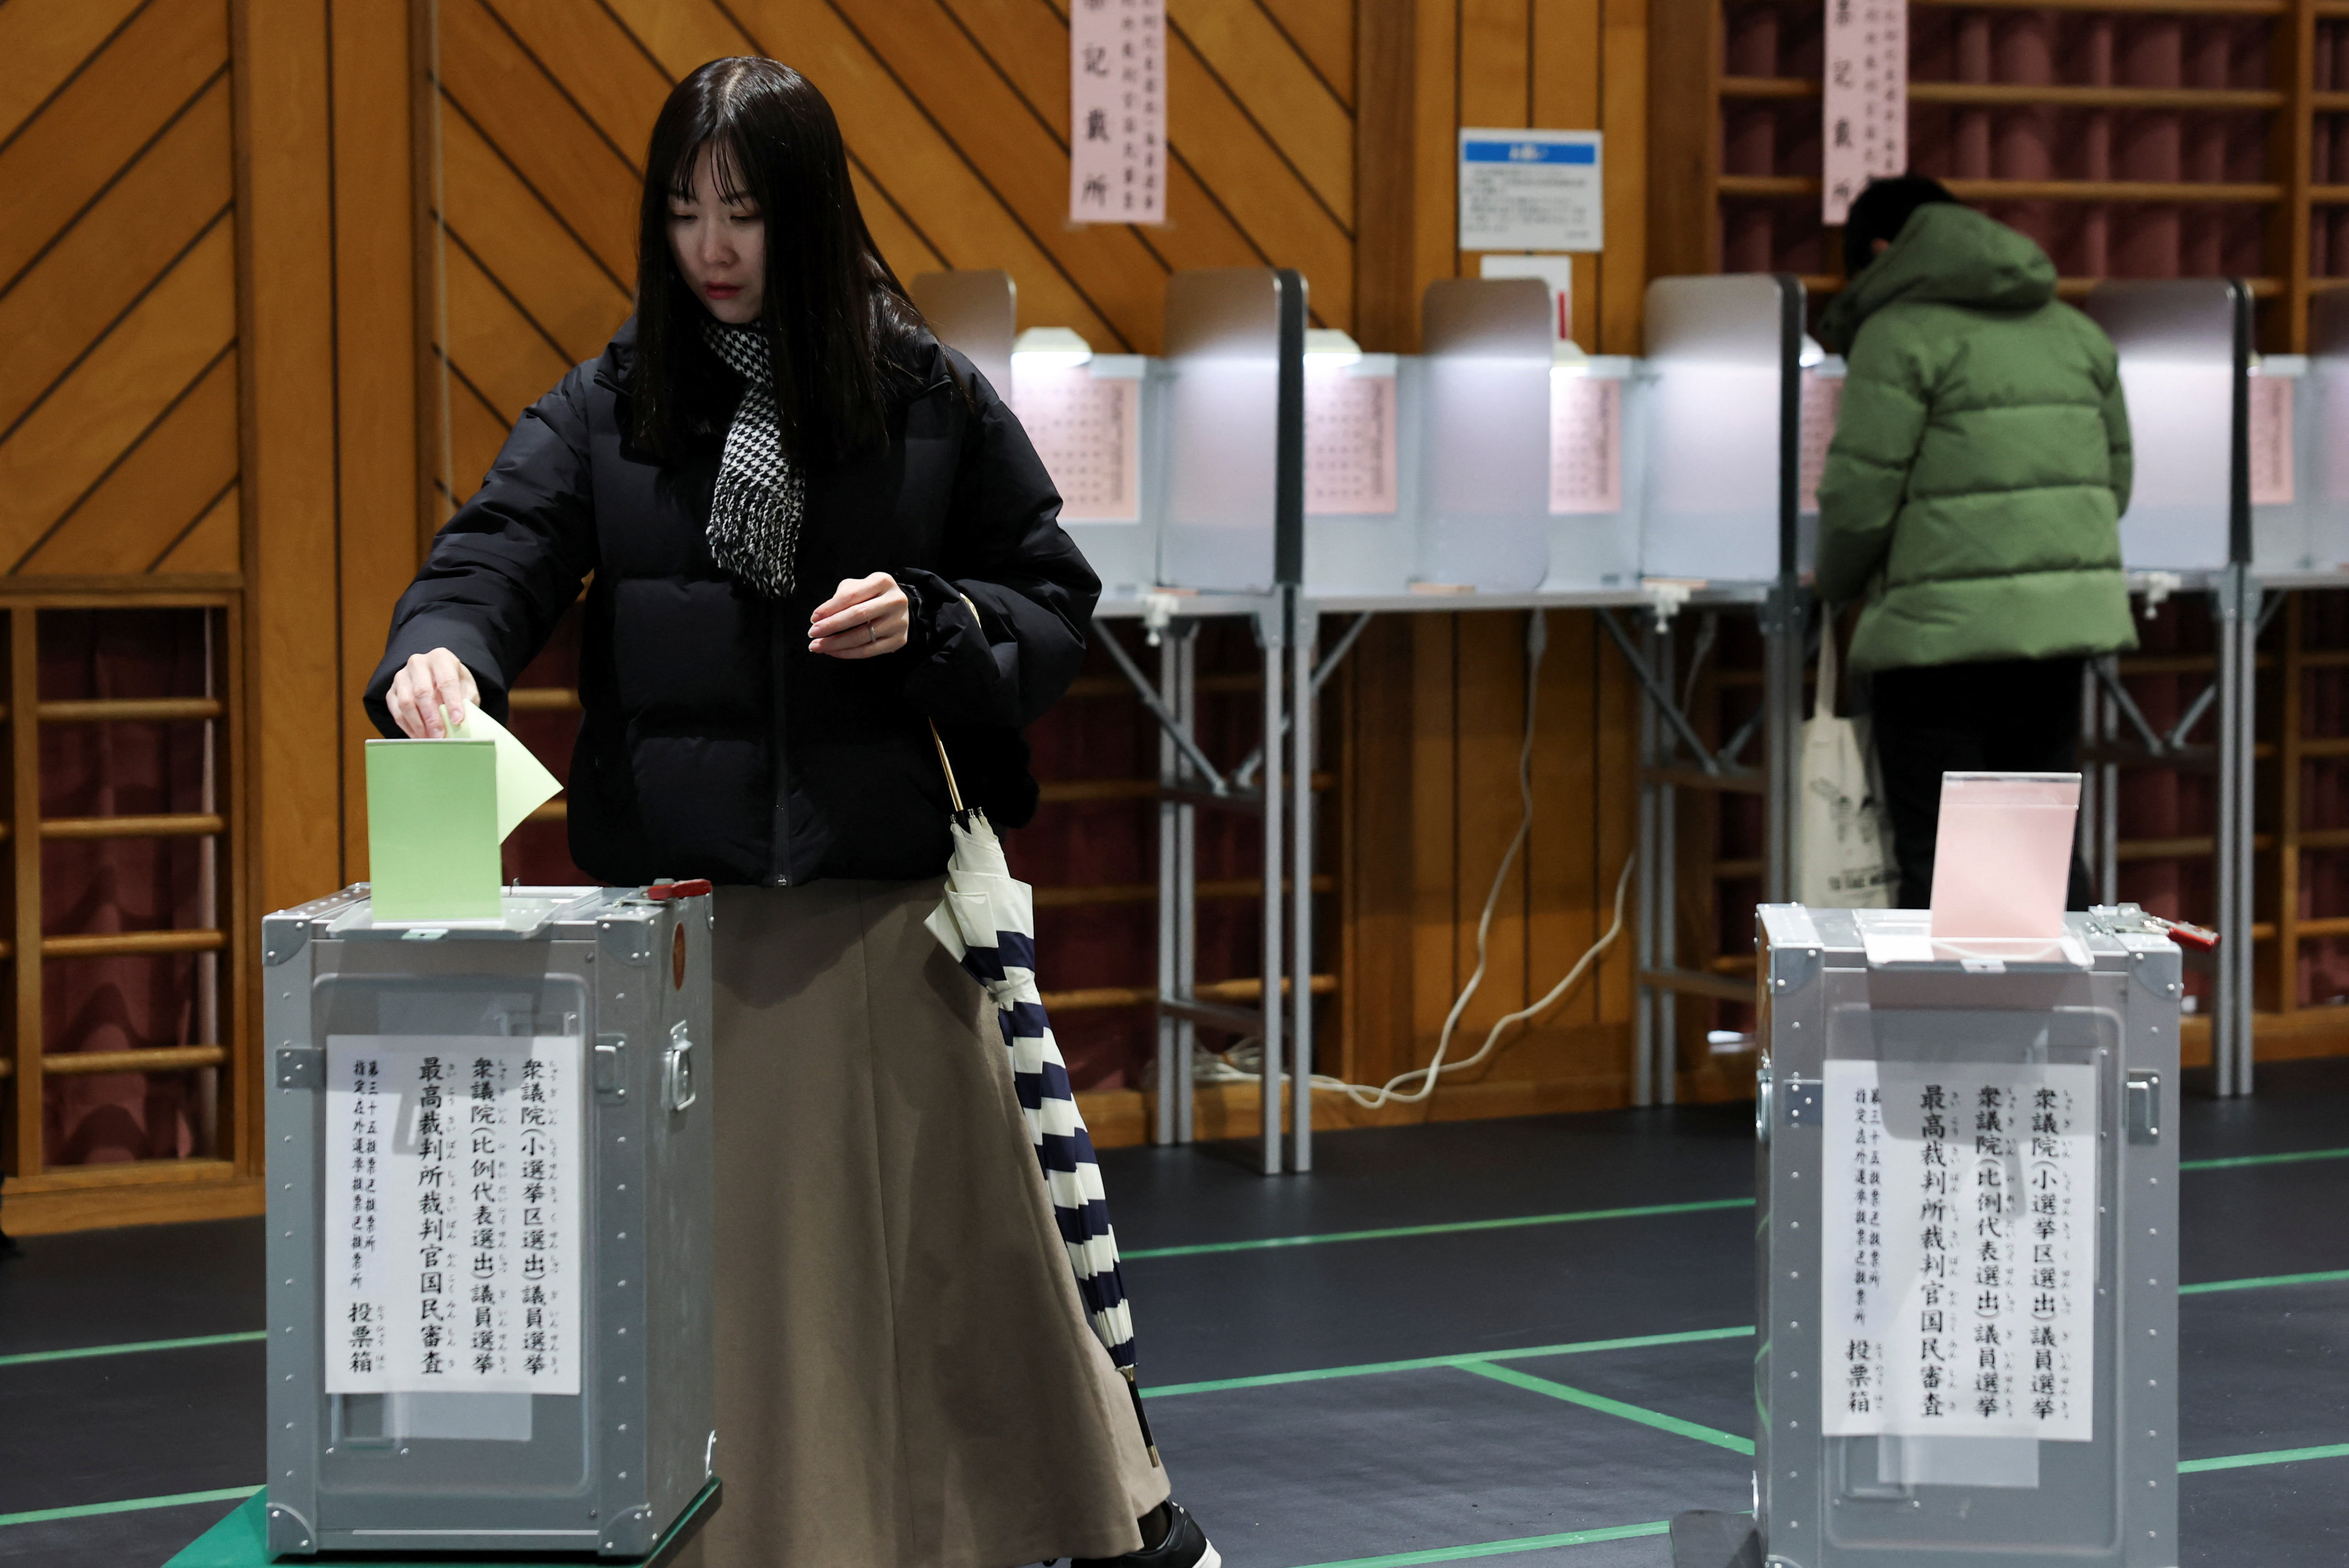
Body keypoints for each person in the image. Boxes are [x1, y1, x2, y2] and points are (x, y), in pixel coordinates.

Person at [365, 57, 1216, 1568]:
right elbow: (491, 554)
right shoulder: (611, 401)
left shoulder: (926, 399)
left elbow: (1052, 611)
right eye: (685, 209)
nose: (712, 245)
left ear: (808, 217)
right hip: (680, 947)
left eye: (745, 211)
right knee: (710, 1303)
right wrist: (437, 653)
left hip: (884, 934)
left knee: (949, 1292)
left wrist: (939, 623)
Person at [1815, 176, 2137, 909]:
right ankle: (2077, 1024)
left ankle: (1953, 1027)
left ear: (1882, 251)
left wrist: (1833, 585)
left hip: (1934, 647)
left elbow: (1860, 499)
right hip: (2055, 639)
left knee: (1943, 872)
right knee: (2042, 861)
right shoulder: (2076, 333)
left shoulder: (1897, 336)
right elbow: (2114, 484)